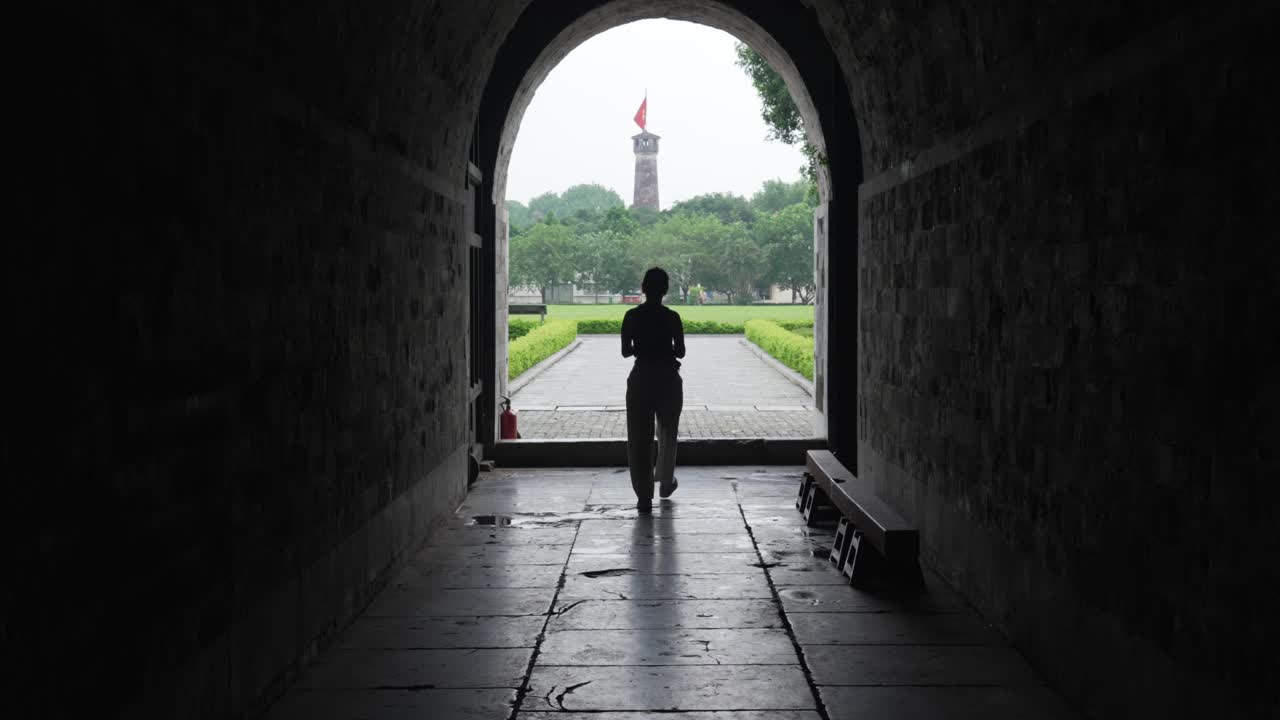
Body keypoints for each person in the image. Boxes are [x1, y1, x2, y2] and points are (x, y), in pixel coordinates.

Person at [620, 267, 686, 512]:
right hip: (667, 376)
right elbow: (681, 352)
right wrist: (663, 348)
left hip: (641, 376)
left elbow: (625, 352)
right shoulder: (672, 317)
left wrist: (643, 347)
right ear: (665, 290)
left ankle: (643, 496)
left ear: (643, 288)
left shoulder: (631, 316)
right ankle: (666, 483)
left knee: (639, 437)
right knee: (668, 434)